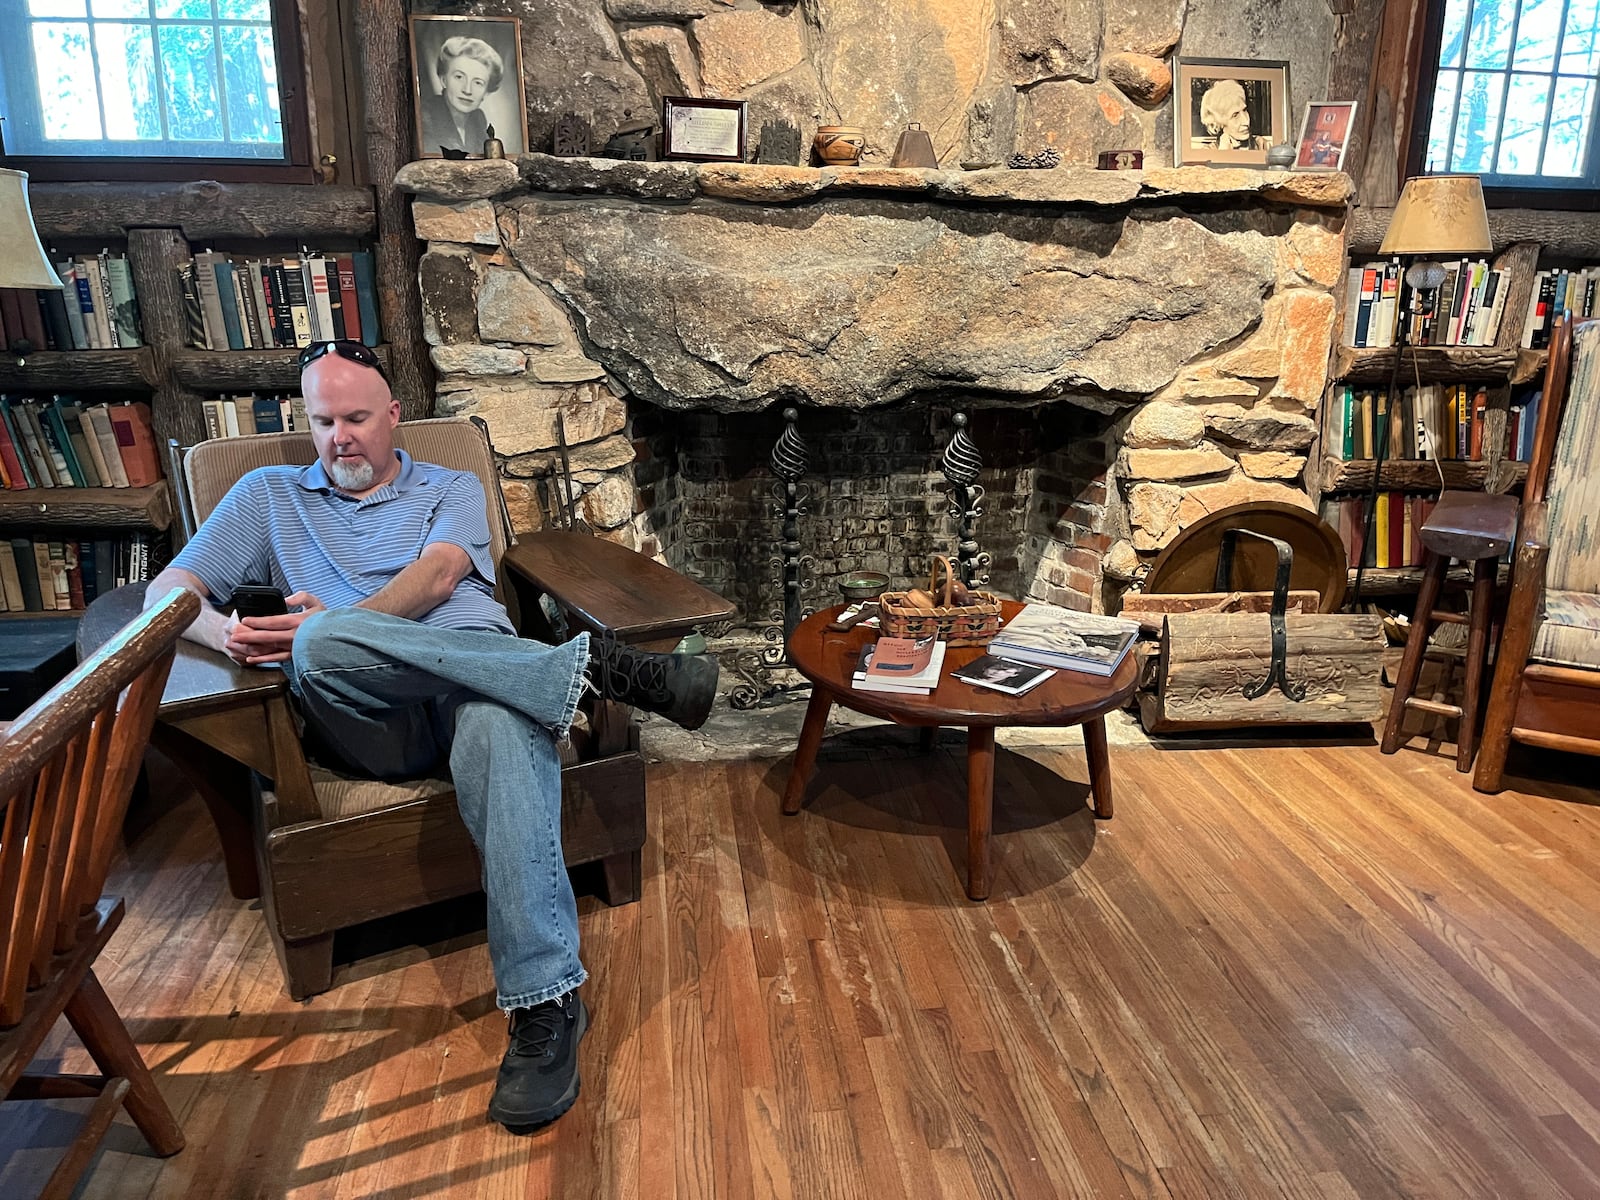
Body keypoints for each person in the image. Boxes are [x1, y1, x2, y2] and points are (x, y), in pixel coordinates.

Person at [145, 339, 718, 1132]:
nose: (339, 437)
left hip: (478, 691)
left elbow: (441, 577)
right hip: (365, 718)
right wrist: (224, 632)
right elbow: (164, 593)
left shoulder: (446, 485)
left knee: (483, 707)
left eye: (355, 418)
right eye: (321, 421)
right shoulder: (266, 496)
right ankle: (590, 672)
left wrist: (341, 622)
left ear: (393, 416)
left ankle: (546, 1008)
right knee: (318, 645)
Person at [419, 35, 503, 156]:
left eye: (478, 82)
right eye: (459, 77)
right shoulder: (425, 115)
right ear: (443, 80)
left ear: (486, 92)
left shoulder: (478, 118)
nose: (467, 90)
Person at [1197, 78, 1272, 151]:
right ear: (1219, 124)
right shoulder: (1207, 153)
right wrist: (1222, 154)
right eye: (1235, 115)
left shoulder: (1262, 146)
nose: (1246, 121)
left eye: (1245, 110)